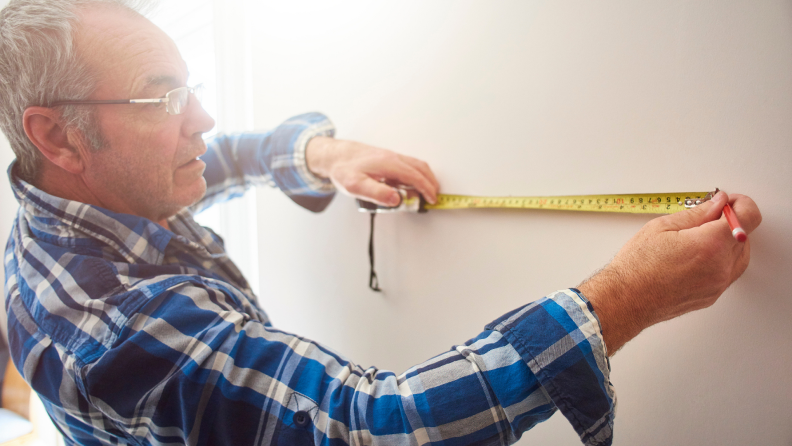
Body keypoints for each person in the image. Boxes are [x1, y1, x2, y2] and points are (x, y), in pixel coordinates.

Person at [0, 0, 761, 445]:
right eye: (163, 98)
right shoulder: (107, 330)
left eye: (191, 86)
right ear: (58, 136)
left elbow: (220, 156)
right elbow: (371, 426)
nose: (202, 116)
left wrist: (319, 152)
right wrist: (624, 299)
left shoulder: (106, 192)